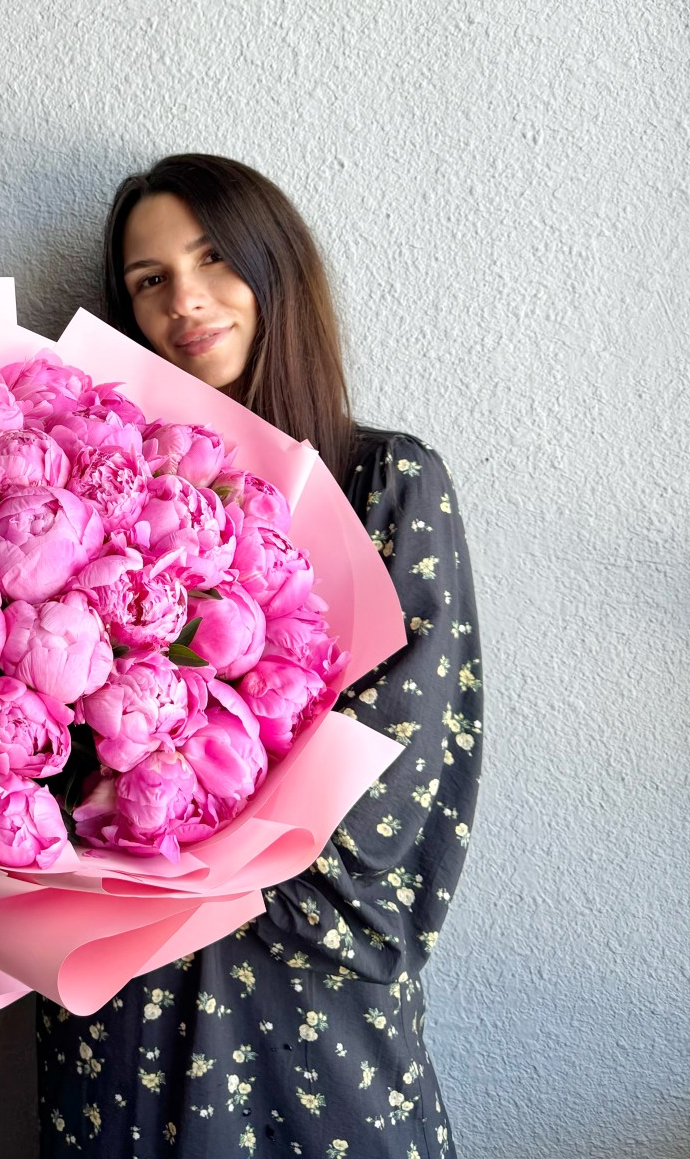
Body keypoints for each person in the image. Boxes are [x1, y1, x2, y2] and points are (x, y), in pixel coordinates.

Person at [37, 154, 483, 1159]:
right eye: (149, 281)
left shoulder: (389, 485)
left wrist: (153, 820)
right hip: (121, 1007)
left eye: (211, 258)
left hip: (300, 1004)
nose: (184, 301)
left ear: (275, 269)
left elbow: (389, 785)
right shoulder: (96, 507)